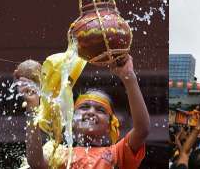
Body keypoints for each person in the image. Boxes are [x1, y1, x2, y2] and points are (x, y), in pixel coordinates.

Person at [17, 55, 150, 169]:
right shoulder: (56, 151)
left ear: (109, 127)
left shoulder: (117, 153)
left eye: (101, 110)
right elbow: (36, 162)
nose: (91, 112)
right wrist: (32, 106)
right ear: (71, 122)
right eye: (84, 107)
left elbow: (142, 129)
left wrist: (129, 77)